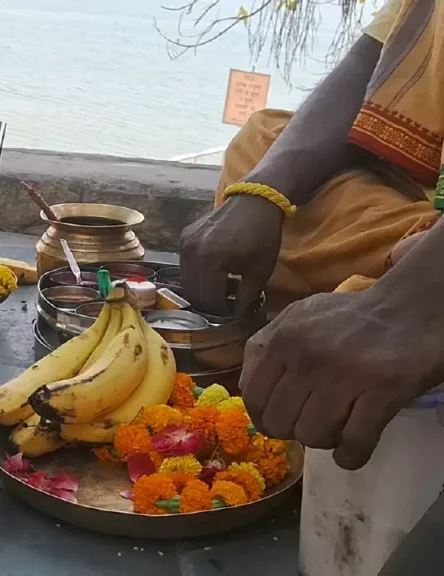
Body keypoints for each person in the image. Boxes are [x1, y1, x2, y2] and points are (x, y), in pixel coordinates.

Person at [181, 0, 444, 471]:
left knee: (401, 252)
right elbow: (368, 64)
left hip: (419, 238)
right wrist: (263, 192)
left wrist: (406, 306)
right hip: (396, 188)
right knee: (261, 140)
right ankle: (327, 324)